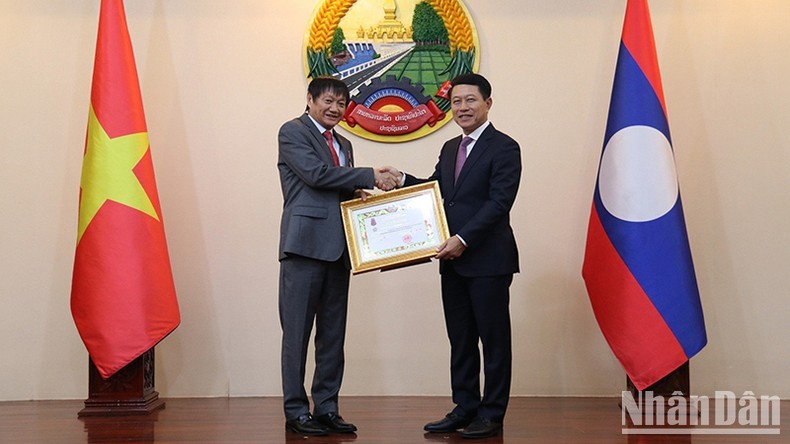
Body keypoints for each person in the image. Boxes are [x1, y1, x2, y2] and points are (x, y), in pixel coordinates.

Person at [400, 73, 522, 439]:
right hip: (452, 262)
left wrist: (463, 239)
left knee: (494, 340)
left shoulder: (505, 147)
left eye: (470, 100)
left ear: (487, 103)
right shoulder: (451, 148)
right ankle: (465, 406)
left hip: (488, 261)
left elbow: (499, 202)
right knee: (461, 339)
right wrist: (401, 178)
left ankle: (492, 413)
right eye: (456, 102)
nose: (463, 107)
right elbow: (436, 192)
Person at [277, 76, 399, 436]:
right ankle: (296, 411)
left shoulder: (344, 142)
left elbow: (335, 185)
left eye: (341, 103)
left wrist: (358, 192)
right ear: (311, 100)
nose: (334, 108)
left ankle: (327, 407)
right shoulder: (293, 132)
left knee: (333, 334)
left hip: (340, 249)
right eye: (327, 101)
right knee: (296, 333)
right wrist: (371, 176)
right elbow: (315, 175)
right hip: (303, 247)